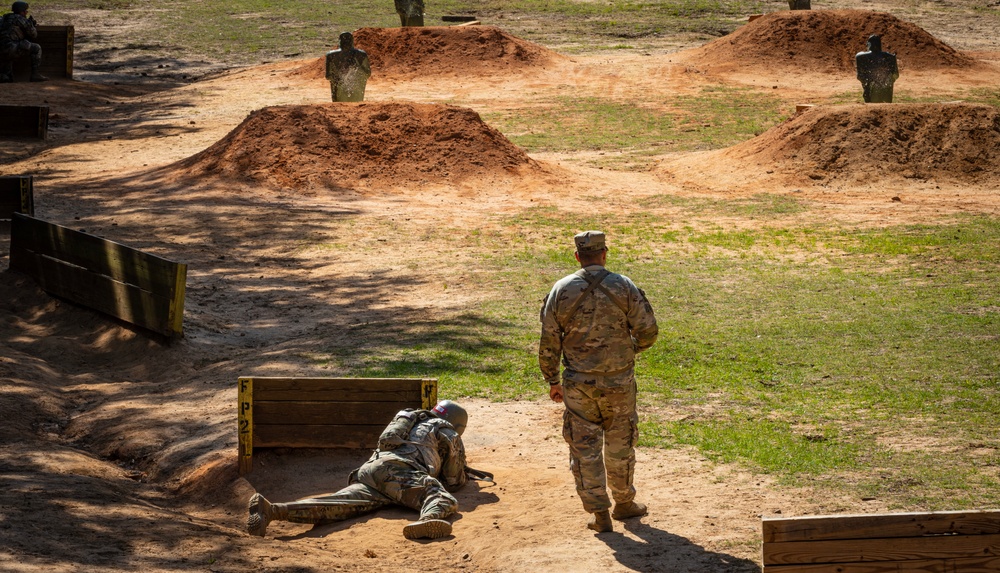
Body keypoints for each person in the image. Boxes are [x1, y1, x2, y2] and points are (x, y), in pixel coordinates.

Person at [539, 231, 659, 533]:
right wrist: (629, 349)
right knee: (621, 443)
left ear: (578, 256)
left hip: (579, 384)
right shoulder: (624, 286)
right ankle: (624, 503)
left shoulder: (561, 289)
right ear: (604, 254)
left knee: (584, 449)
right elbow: (648, 331)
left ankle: (599, 513)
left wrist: (552, 379)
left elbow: (549, 339)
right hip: (619, 382)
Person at [247, 400, 470, 540]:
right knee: (440, 495)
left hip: (371, 471)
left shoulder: (411, 419)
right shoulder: (446, 431)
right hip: (399, 473)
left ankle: (272, 510)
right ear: (457, 425)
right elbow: (452, 480)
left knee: (337, 504)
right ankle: (427, 520)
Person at [0, 1, 46, 83]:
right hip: (12, 49)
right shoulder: (20, 19)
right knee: (36, 48)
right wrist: (31, 24)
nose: (26, 13)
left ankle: (4, 76)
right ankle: (35, 74)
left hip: (2, 51)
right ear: (22, 11)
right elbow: (33, 34)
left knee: (8, 78)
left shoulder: (4, 18)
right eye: (26, 11)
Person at [324, 32, 371, 102]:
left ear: (340, 42)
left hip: (339, 94)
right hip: (356, 95)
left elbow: (328, 76)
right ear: (352, 42)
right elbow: (368, 74)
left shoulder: (331, 55)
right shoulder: (361, 55)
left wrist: (338, 78)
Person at [855, 34, 899, 103]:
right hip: (886, 92)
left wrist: (869, 82)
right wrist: (886, 82)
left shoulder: (860, 56)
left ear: (869, 44)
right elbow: (895, 74)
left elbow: (860, 76)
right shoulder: (890, 57)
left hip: (871, 92)